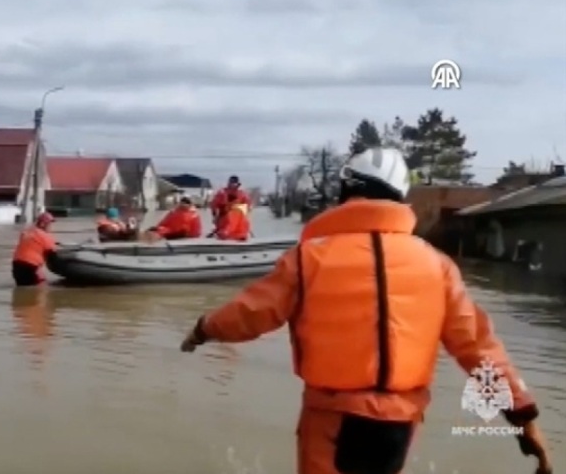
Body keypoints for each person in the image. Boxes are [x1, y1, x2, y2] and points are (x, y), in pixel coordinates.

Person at [179, 147, 551, 474]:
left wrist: (203, 329)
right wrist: (522, 416)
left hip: (332, 419)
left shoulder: (308, 258)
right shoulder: (437, 265)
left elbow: (251, 313)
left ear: (346, 190)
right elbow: (477, 347)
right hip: (399, 425)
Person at [12, 212, 57, 286]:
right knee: (41, 286)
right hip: (31, 266)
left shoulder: (25, 232)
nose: (51, 227)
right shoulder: (45, 236)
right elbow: (53, 253)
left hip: (16, 266)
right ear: (42, 224)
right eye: (49, 224)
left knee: (23, 287)